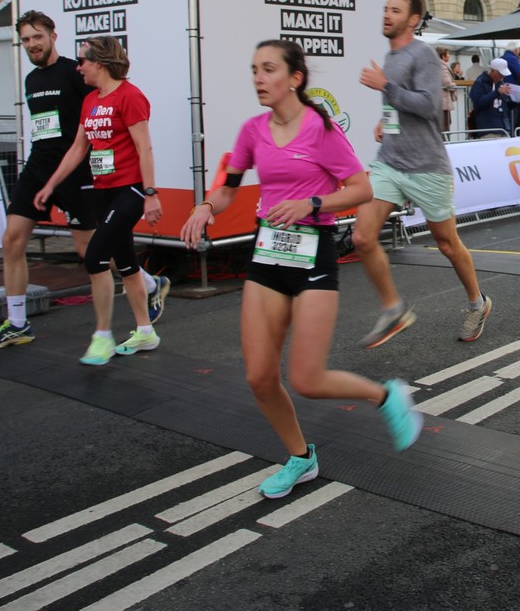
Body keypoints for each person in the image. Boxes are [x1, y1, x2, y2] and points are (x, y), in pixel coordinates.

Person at [181, 40, 422, 499]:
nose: (258, 78)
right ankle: (300, 457)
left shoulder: (320, 129)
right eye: (254, 69)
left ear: (295, 78)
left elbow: (361, 189)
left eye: (268, 69)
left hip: (312, 255)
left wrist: (311, 203)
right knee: (259, 376)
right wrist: (207, 206)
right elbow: (229, 185)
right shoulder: (252, 131)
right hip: (267, 256)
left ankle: (386, 396)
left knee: (307, 379)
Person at [0, 11, 127, 351]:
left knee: (89, 251)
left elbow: (101, 110)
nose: (32, 44)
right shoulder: (31, 80)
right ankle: (17, 323)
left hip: (75, 170)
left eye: (38, 37)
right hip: (38, 167)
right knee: (11, 239)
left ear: (53, 37)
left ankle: (144, 281)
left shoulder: (75, 73)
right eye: (26, 40)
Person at [354, 0, 490, 348]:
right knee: (362, 237)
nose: (387, 14)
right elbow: (401, 103)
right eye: (385, 9)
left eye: (395, 10)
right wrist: (386, 121)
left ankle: (477, 302)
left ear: (413, 19)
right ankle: (393, 309)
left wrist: (385, 86)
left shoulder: (424, 55)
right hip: (390, 161)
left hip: (427, 165)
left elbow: (430, 106)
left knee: (447, 243)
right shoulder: (391, 55)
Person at [34, 36, 165, 365]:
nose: (78, 68)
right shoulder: (90, 100)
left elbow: (144, 148)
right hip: (102, 190)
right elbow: (79, 148)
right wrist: (50, 185)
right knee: (127, 265)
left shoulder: (130, 96)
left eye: (83, 61)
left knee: (94, 258)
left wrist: (150, 194)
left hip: (130, 190)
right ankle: (145, 331)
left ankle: (102, 337)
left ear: (100, 63)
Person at [469, 57, 513, 136]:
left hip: (503, 128)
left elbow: (507, 106)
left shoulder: (501, 84)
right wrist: (497, 92)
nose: (503, 76)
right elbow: (478, 102)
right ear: (493, 71)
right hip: (488, 129)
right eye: (501, 74)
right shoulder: (480, 83)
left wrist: (517, 101)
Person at [436, 46, 458, 134]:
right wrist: (454, 86)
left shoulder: (437, 65)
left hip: (440, 101)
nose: (449, 55)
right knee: (444, 126)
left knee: (444, 125)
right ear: (443, 56)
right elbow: (446, 82)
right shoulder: (442, 66)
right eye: (448, 54)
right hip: (443, 101)